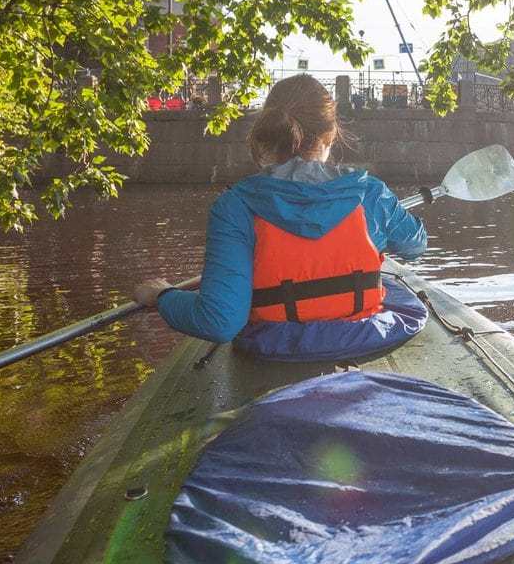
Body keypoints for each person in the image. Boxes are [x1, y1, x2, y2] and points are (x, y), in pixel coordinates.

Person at [132, 74, 429, 362]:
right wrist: (391, 220)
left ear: (269, 130)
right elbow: (415, 246)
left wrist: (163, 296)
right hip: (363, 339)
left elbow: (220, 322)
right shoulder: (371, 193)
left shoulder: (235, 207)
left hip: (274, 348)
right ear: (332, 134)